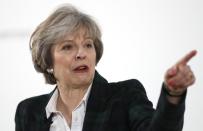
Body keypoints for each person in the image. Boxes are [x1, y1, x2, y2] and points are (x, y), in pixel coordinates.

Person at [15, 4, 197, 131]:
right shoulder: (28, 111)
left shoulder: (125, 96)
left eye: (88, 45)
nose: (81, 54)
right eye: (68, 47)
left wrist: (173, 93)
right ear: (47, 62)